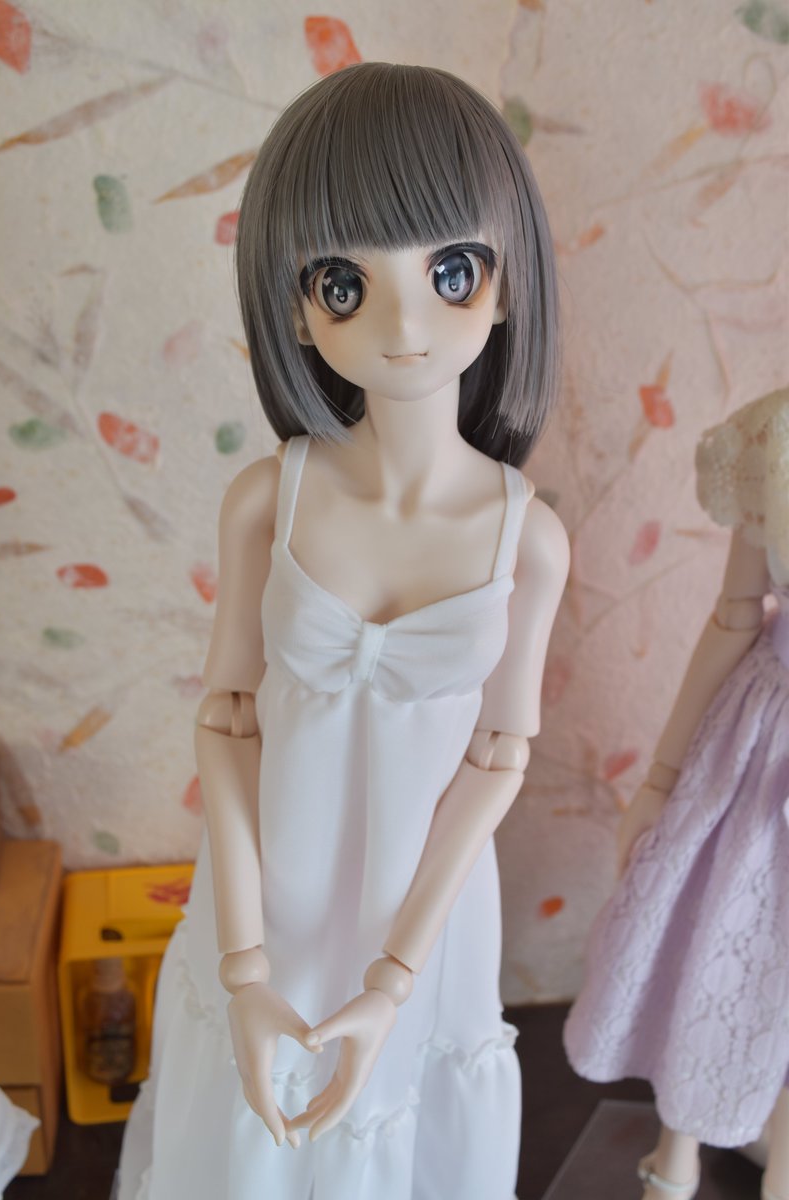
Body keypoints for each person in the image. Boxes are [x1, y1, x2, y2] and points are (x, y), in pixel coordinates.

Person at [118, 61, 568, 1200]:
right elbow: (227, 720)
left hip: (419, 912)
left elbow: (497, 757)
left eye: (450, 272)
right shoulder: (269, 500)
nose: (405, 324)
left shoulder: (525, 540)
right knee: (246, 1144)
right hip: (268, 887)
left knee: (396, 1130)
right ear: (296, 306)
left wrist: (395, 974)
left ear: (504, 285)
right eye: (344, 282)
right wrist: (242, 962)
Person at [564, 389, 789, 1200]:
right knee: (720, 939)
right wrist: (659, 780)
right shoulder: (775, 435)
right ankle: (674, 1157)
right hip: (762, 742)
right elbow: (735, 615)